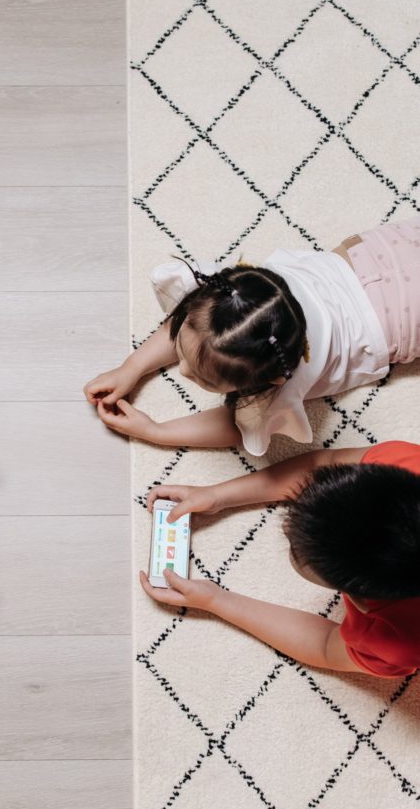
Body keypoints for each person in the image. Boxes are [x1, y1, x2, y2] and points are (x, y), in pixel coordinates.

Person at [84, 218, 420, 456]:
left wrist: (155, 431)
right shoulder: (240, 297)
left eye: (203, 379)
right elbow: (197, 326)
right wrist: (132, 367)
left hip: (400, 317)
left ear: (269, 381)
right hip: (379, 254)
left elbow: (236, 426)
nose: (183, 371)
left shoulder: (280, 386)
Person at [139, 440, 420, 678]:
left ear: (361, 602)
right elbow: (323, 462)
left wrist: (217, 600)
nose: (286, 528)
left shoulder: (399, 641)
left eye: (296, 551)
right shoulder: (403, 461)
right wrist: (218, 495)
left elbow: (325, 646)